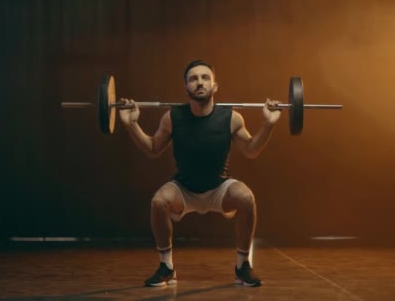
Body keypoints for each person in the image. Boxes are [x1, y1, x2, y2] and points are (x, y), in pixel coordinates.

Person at [118, 59, 282, 288]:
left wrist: (269, 124)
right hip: (184, 189)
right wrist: (130, 124)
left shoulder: (232, 118)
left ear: (215, 86)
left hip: (219, 188)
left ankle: (242, 267)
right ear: (186, 87)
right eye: (193, 78)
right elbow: (153, 149)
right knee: (158, 201)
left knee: (246, 197)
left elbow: (251, 150)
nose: (199, 82)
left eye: (205, 77)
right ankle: (167, 268)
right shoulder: (172, 118)